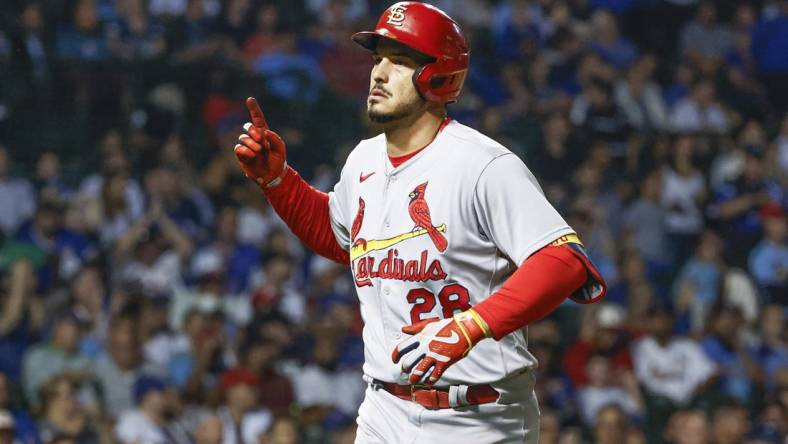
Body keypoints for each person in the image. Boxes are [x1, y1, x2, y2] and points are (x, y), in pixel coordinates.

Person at [233, 2, 606, 441]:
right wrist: (279, 182)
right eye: (377, 58)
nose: (379, 73)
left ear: (440, 76)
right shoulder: (364, 160)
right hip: (383, 409)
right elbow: (343, 240)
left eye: (400, 61)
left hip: (478, 416)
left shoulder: (483, 165)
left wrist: (471, 326)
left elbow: (565, 262)